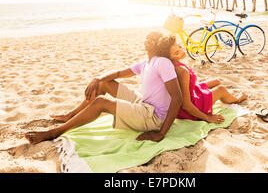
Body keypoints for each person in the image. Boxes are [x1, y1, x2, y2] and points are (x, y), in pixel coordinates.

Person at [24, 31, 183, 145]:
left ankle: (54, 133)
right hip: (144, 105)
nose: (148, 39)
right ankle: (70, 115)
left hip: (154, 118)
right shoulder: (146, 63)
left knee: (101, 102)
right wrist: (98, 78)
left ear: (159, 45)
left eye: (153, 38)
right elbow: (119, 73)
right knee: (104, 84)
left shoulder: (162, 62)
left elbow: (177, 98)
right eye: (147, 36)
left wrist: (161, 133)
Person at [155, 35, 247, 124]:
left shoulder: (171, 65)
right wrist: (208, 118)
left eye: (179, 47)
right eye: (177, 52)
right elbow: (186, 105)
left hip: (191, 93)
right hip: (190, 110)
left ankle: (228, 96)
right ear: (170, 57)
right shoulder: (182, 72)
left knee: (216, 81)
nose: (182, 51)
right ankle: (237, 100)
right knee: (221, 89)